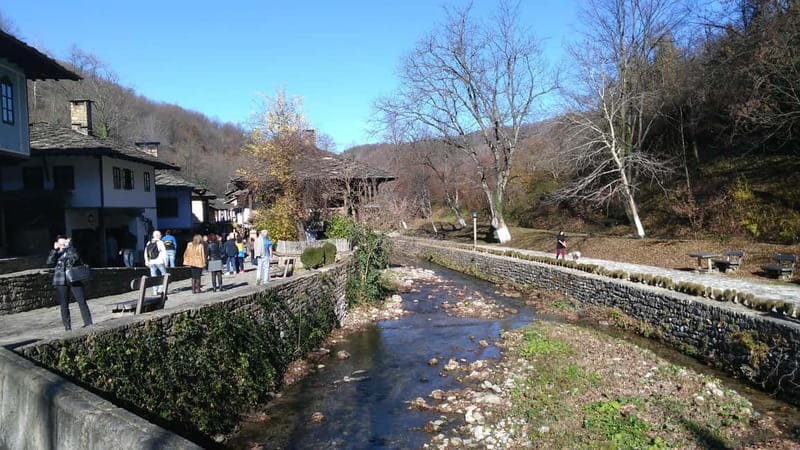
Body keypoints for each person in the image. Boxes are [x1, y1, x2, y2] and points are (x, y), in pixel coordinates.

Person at [46, 237, 93, 331]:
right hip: (60, 279)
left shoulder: (71, 250)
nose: (62, 245)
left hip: (74, 278)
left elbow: (76, 258)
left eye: (64, 242)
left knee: (81, 301)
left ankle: (88, 323)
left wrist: (69, 247)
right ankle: (67, 327)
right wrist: (54, 250)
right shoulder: (55, 253)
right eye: (60, 243)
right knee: (64, 304)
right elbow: (49, 262)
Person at [144, 230, 168, 295]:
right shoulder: (160, 242)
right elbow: (164, 253)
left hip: (151, 262)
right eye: (160, 235)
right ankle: (161, 289)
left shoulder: (149, 242)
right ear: (157, 235)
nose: (161, 236)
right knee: (164, 275)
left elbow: (146, 252)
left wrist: (146, 261)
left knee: (153, 276)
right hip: (159, 261)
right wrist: (166, 261)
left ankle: (155, 291)